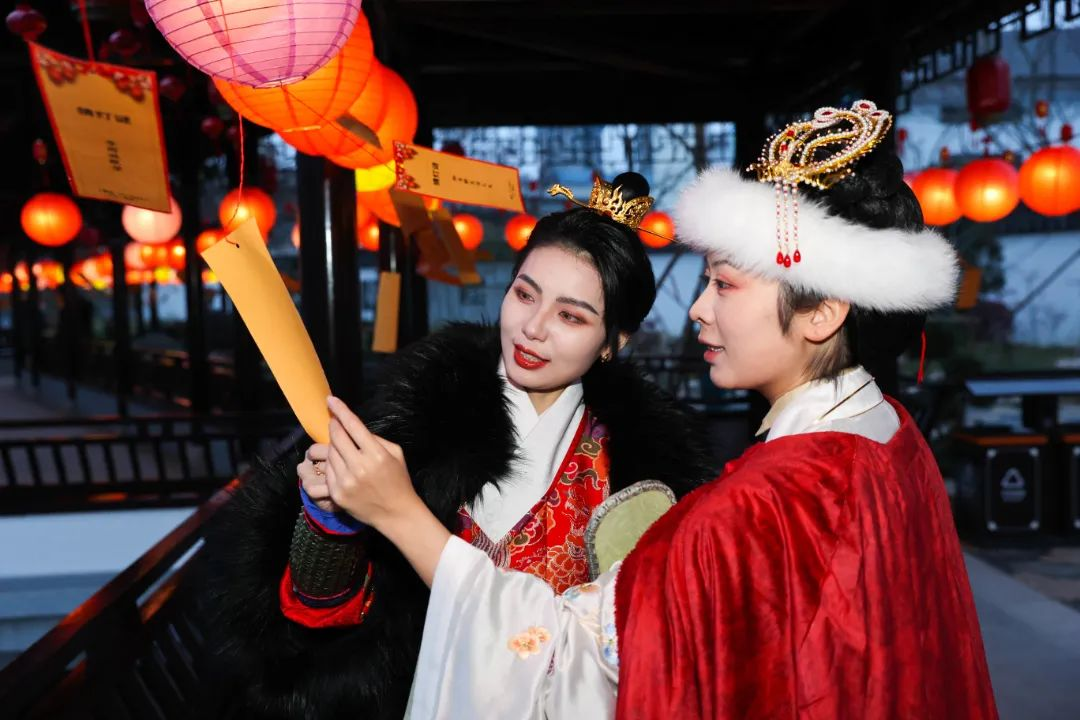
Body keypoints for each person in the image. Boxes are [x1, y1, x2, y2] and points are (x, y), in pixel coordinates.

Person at [319, 100, 998, 719]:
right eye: (523, 294)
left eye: (724, 284)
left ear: (822, 312)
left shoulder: (753, 503)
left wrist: (401, 515)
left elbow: (568, 659)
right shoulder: (886, 433)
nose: (698, 309)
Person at [200, 172, 716, 720]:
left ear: (614, 342)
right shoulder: (420, 415)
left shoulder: (641, 477)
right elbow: (321, 619)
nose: (533, 328)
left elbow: (626, 658)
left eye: (570, 315)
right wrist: (330, 520)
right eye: (524, 294)